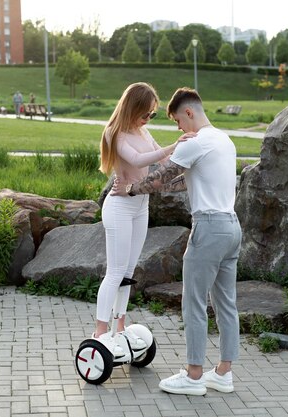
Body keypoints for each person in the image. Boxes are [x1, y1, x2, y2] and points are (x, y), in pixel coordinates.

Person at [112, 87, 242, 396]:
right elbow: (183, 182)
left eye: (177, 122)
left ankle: (194, 375)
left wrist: (129, 190)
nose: (178, 130)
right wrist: (151, 185)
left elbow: (160, 178)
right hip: (232, 228)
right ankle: (224, 373)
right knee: (226, 304)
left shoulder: (194, 142)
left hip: (209, 230)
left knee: (193, 303)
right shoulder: (224, 140)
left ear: (188, 113)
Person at [95, 82, 194, 355]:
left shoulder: (142, 131)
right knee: (115, 272)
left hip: (141, 206)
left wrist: (188, 161)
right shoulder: (114, 134)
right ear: (132, 108)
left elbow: (162, 166)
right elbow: (139, 160)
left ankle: (120, 326)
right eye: (145, 114)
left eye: (152, 115)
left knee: (129, 272)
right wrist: (172, 147)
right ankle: (101, 332)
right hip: (119, 207)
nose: (148, 119)